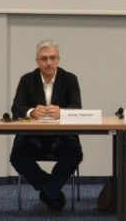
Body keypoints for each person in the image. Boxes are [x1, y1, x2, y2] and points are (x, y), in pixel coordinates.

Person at [9, 40, 83, 212]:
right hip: (32, 136)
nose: (48, 63)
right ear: (37, 61)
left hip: (62, 136)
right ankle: (50, 189)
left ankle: (48, 191)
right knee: (18, 156)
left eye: (52, 58)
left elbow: (76, 107)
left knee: (74, 154)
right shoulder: (27, 79)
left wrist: (62, 112)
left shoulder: (70, 79)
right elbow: (16, 107)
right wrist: (31, 112)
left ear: (58, 59)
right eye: (44, 59)